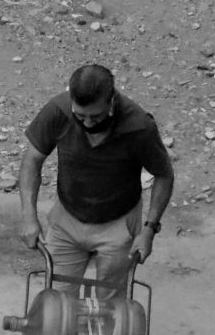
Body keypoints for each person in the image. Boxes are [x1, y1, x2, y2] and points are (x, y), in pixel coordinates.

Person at [17, 64, 175, 299]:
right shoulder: (58, 112)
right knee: (56, 303)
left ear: (112, 101)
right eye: (80, 116)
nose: (88, 123)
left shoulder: (139, 126)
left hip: (118, 225)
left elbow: (164, 175)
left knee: (109, 305)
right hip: (67, 220)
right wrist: (29, 216)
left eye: (97, 116)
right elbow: (31, 162)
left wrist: (149, 229)